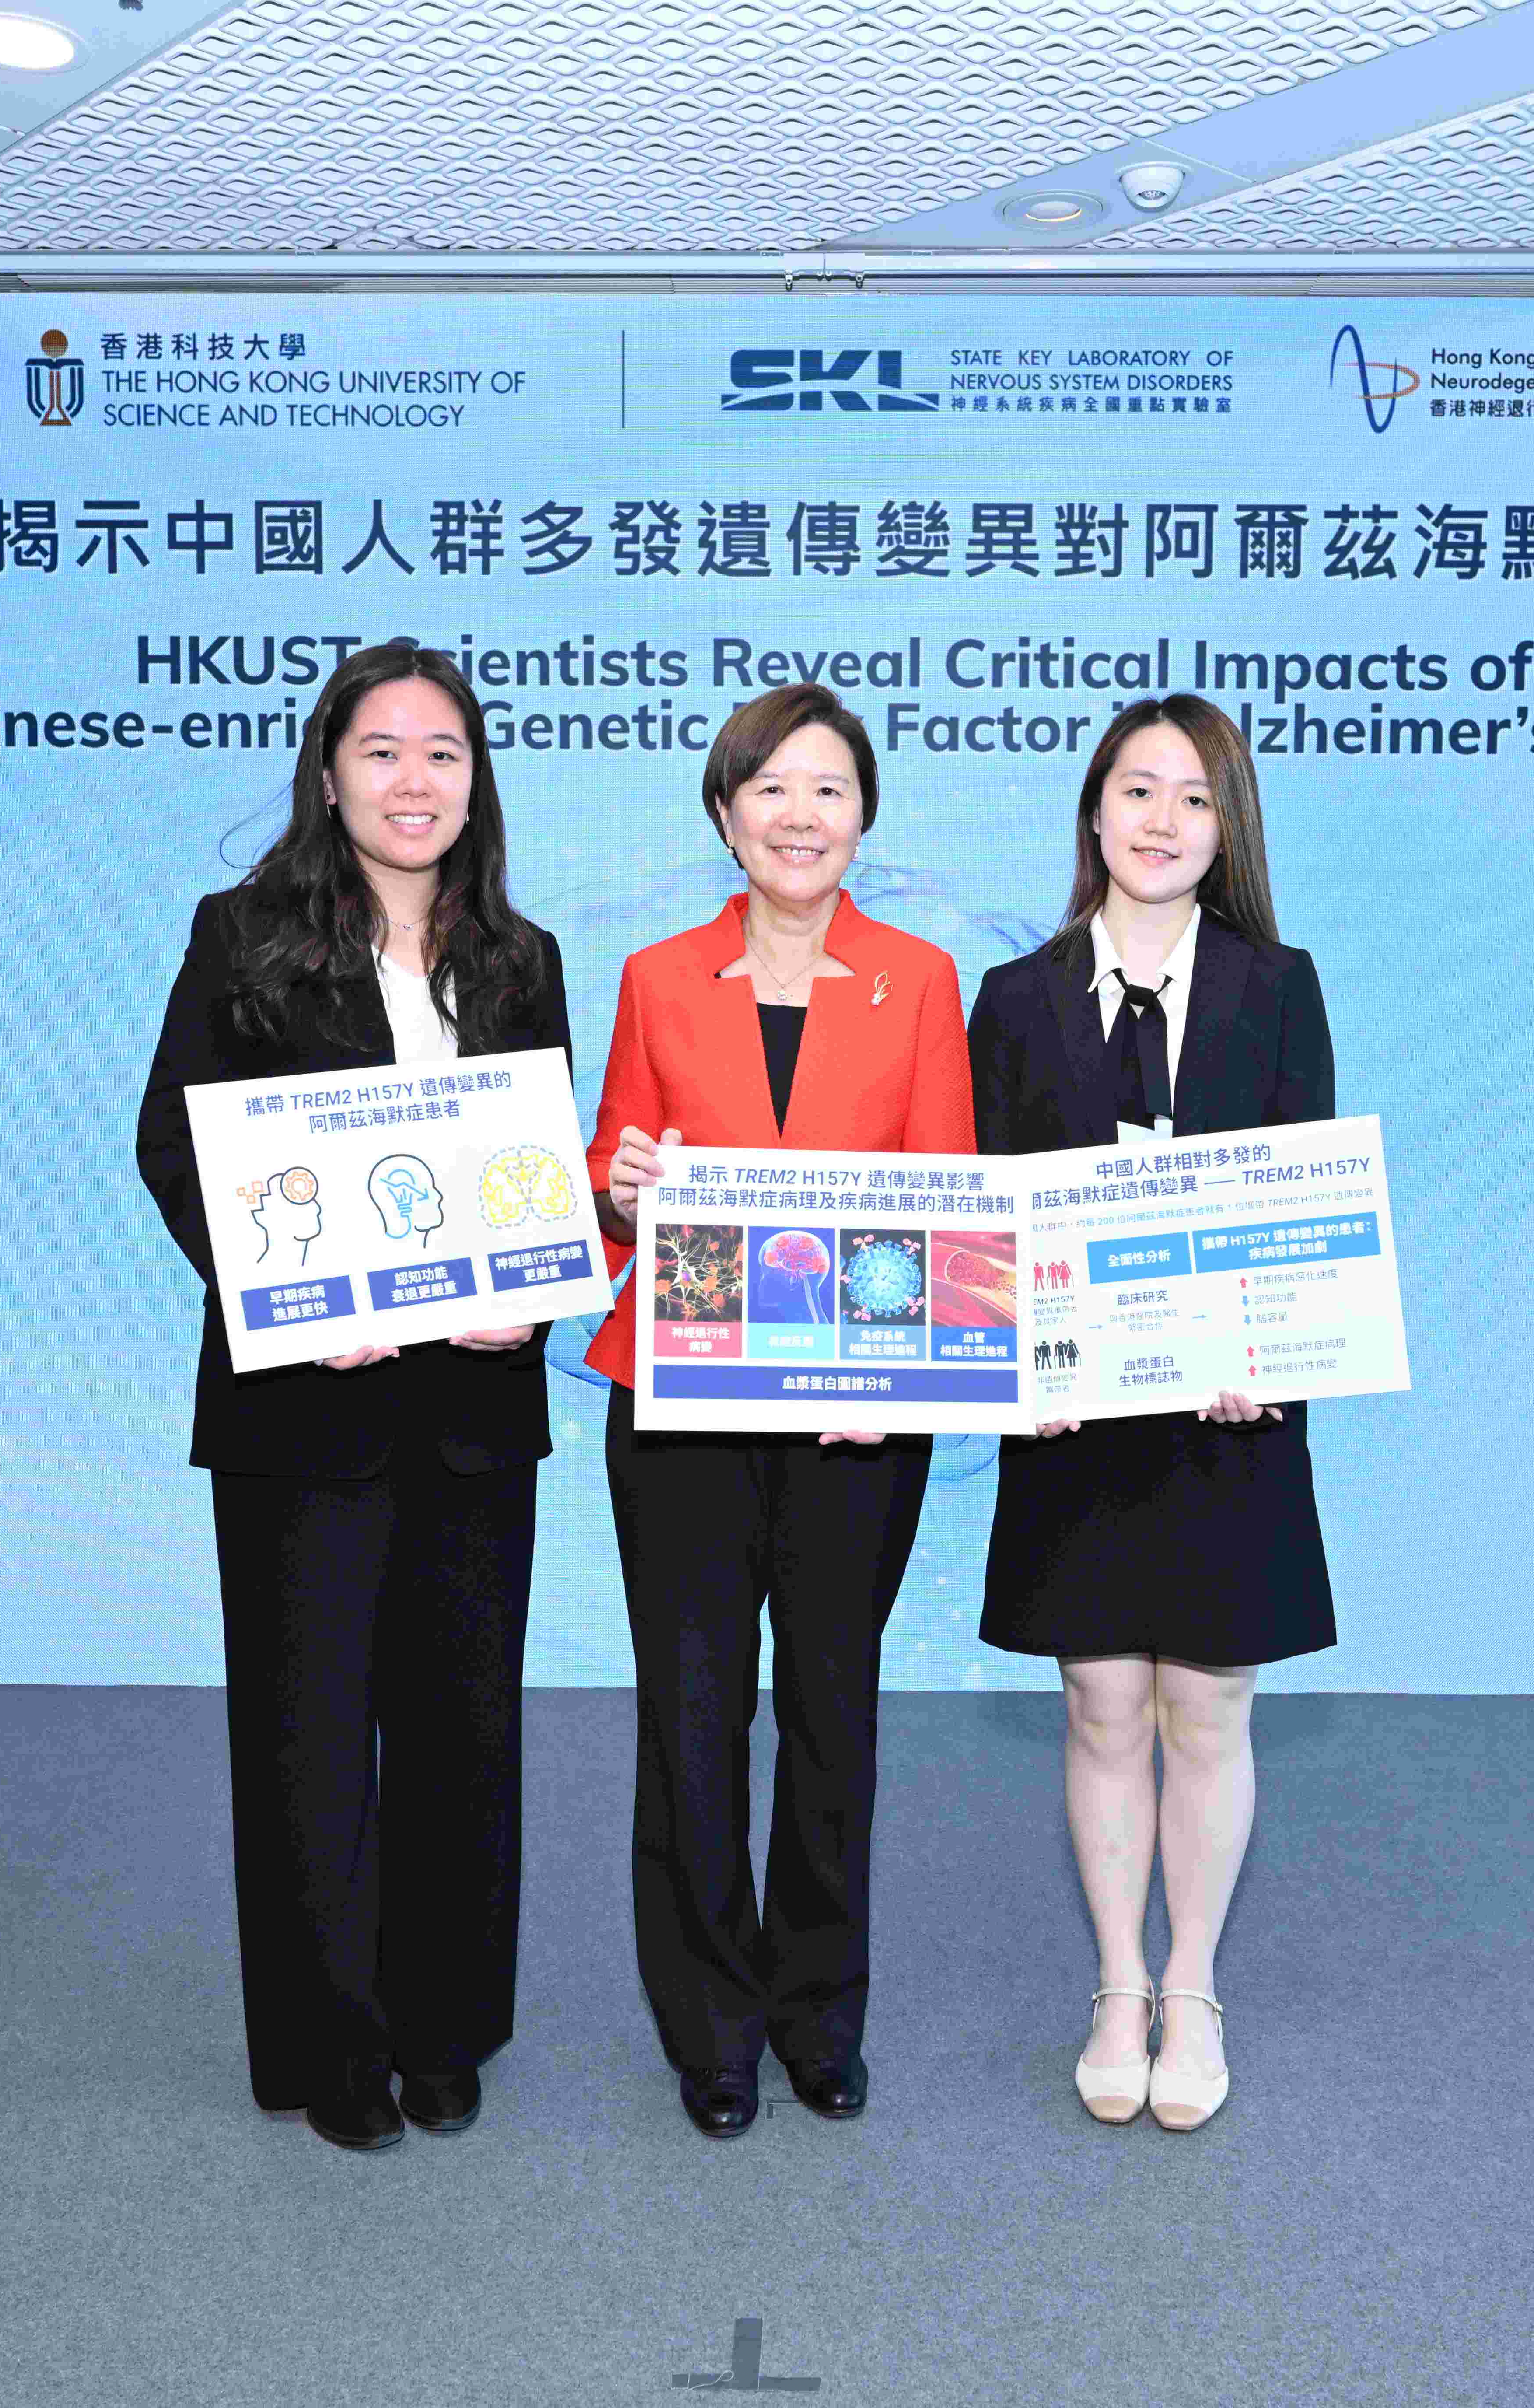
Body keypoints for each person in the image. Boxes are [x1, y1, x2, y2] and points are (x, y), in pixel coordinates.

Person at [136, 642, 568, 2152]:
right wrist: (286, 1298)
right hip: (302, 1411)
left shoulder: (521, 960)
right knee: (309, 1732)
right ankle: (333, 2045)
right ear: (328, 773)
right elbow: (174, 1150)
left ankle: (446, 2029)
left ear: (477, 782)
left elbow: (536, 1179)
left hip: (470, 1410)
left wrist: (535, 1284)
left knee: (463, 1729)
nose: (413, 782)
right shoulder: (241, 938)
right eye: (381, 751)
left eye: (443, 754)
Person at [586, 682, 971, 2140]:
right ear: (726, 815)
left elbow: (940, 1202)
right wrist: (615, 1187)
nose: (799, 816)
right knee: (688, 1723)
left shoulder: (923, 980)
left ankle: (820, 2015)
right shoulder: (657, 977)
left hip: (858, 1421)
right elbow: (616, 1193)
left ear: (863, 815)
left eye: (827, 789)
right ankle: (712, 2028)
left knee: (831, 1714)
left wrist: (900, 1381)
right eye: (770, 790)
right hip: (679, 1406)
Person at [966, 694, 1338, 2134]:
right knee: (1101, 1701)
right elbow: (988, 1217)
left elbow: (1309, 1206)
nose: (1163, 820)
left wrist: (1274, 1347)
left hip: (1230, 1416)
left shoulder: (1281, 986)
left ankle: (1195, 1986)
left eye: (1195, 798)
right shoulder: (1018, 996)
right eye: (1137, 790)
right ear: (1094, 812)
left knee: (1211, 1704)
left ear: (1224, 828)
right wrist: (1019, 1366)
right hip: (1076, 1422)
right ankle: (1117, 1982)